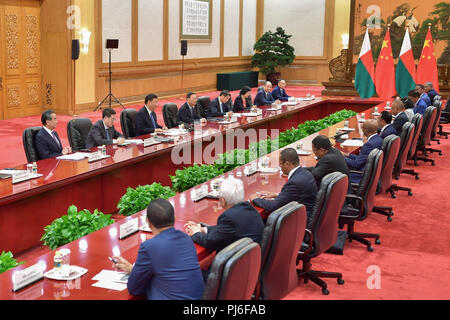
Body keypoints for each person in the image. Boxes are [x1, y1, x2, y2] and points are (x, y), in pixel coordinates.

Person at [112, 199, 205, 300]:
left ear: (148, 222)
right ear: (174, 218)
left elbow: (134, 288)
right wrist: (132, 269)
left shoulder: (149, 247)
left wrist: (135, 273)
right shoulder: (186, 238)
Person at [185, 177, 264, 253]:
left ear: (223, 200)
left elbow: (210, 242)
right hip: (253, 260)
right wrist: (203, 229)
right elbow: (225, 230)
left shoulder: (228, 217)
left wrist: (196, 233)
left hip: (235, 264)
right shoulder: (250, 208)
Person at [249, 148, 317, 220]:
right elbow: (295, 195)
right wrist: (277, 195)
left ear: (287, 164)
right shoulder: (305, 173)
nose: (280, 167)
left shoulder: (294, 182)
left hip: (299, 221)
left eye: (280, 164)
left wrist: (255, 199)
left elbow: (273, 206)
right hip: (308, 214)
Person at [342, 120, 382, 184]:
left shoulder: (369, 144)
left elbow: (356, 164)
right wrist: (347, 155)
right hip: (369, 172)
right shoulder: (378, 139)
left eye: (362, 127)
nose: (361, 129)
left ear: (366, 130)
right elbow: (362, 158)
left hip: (359, 175)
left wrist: (340, 157)